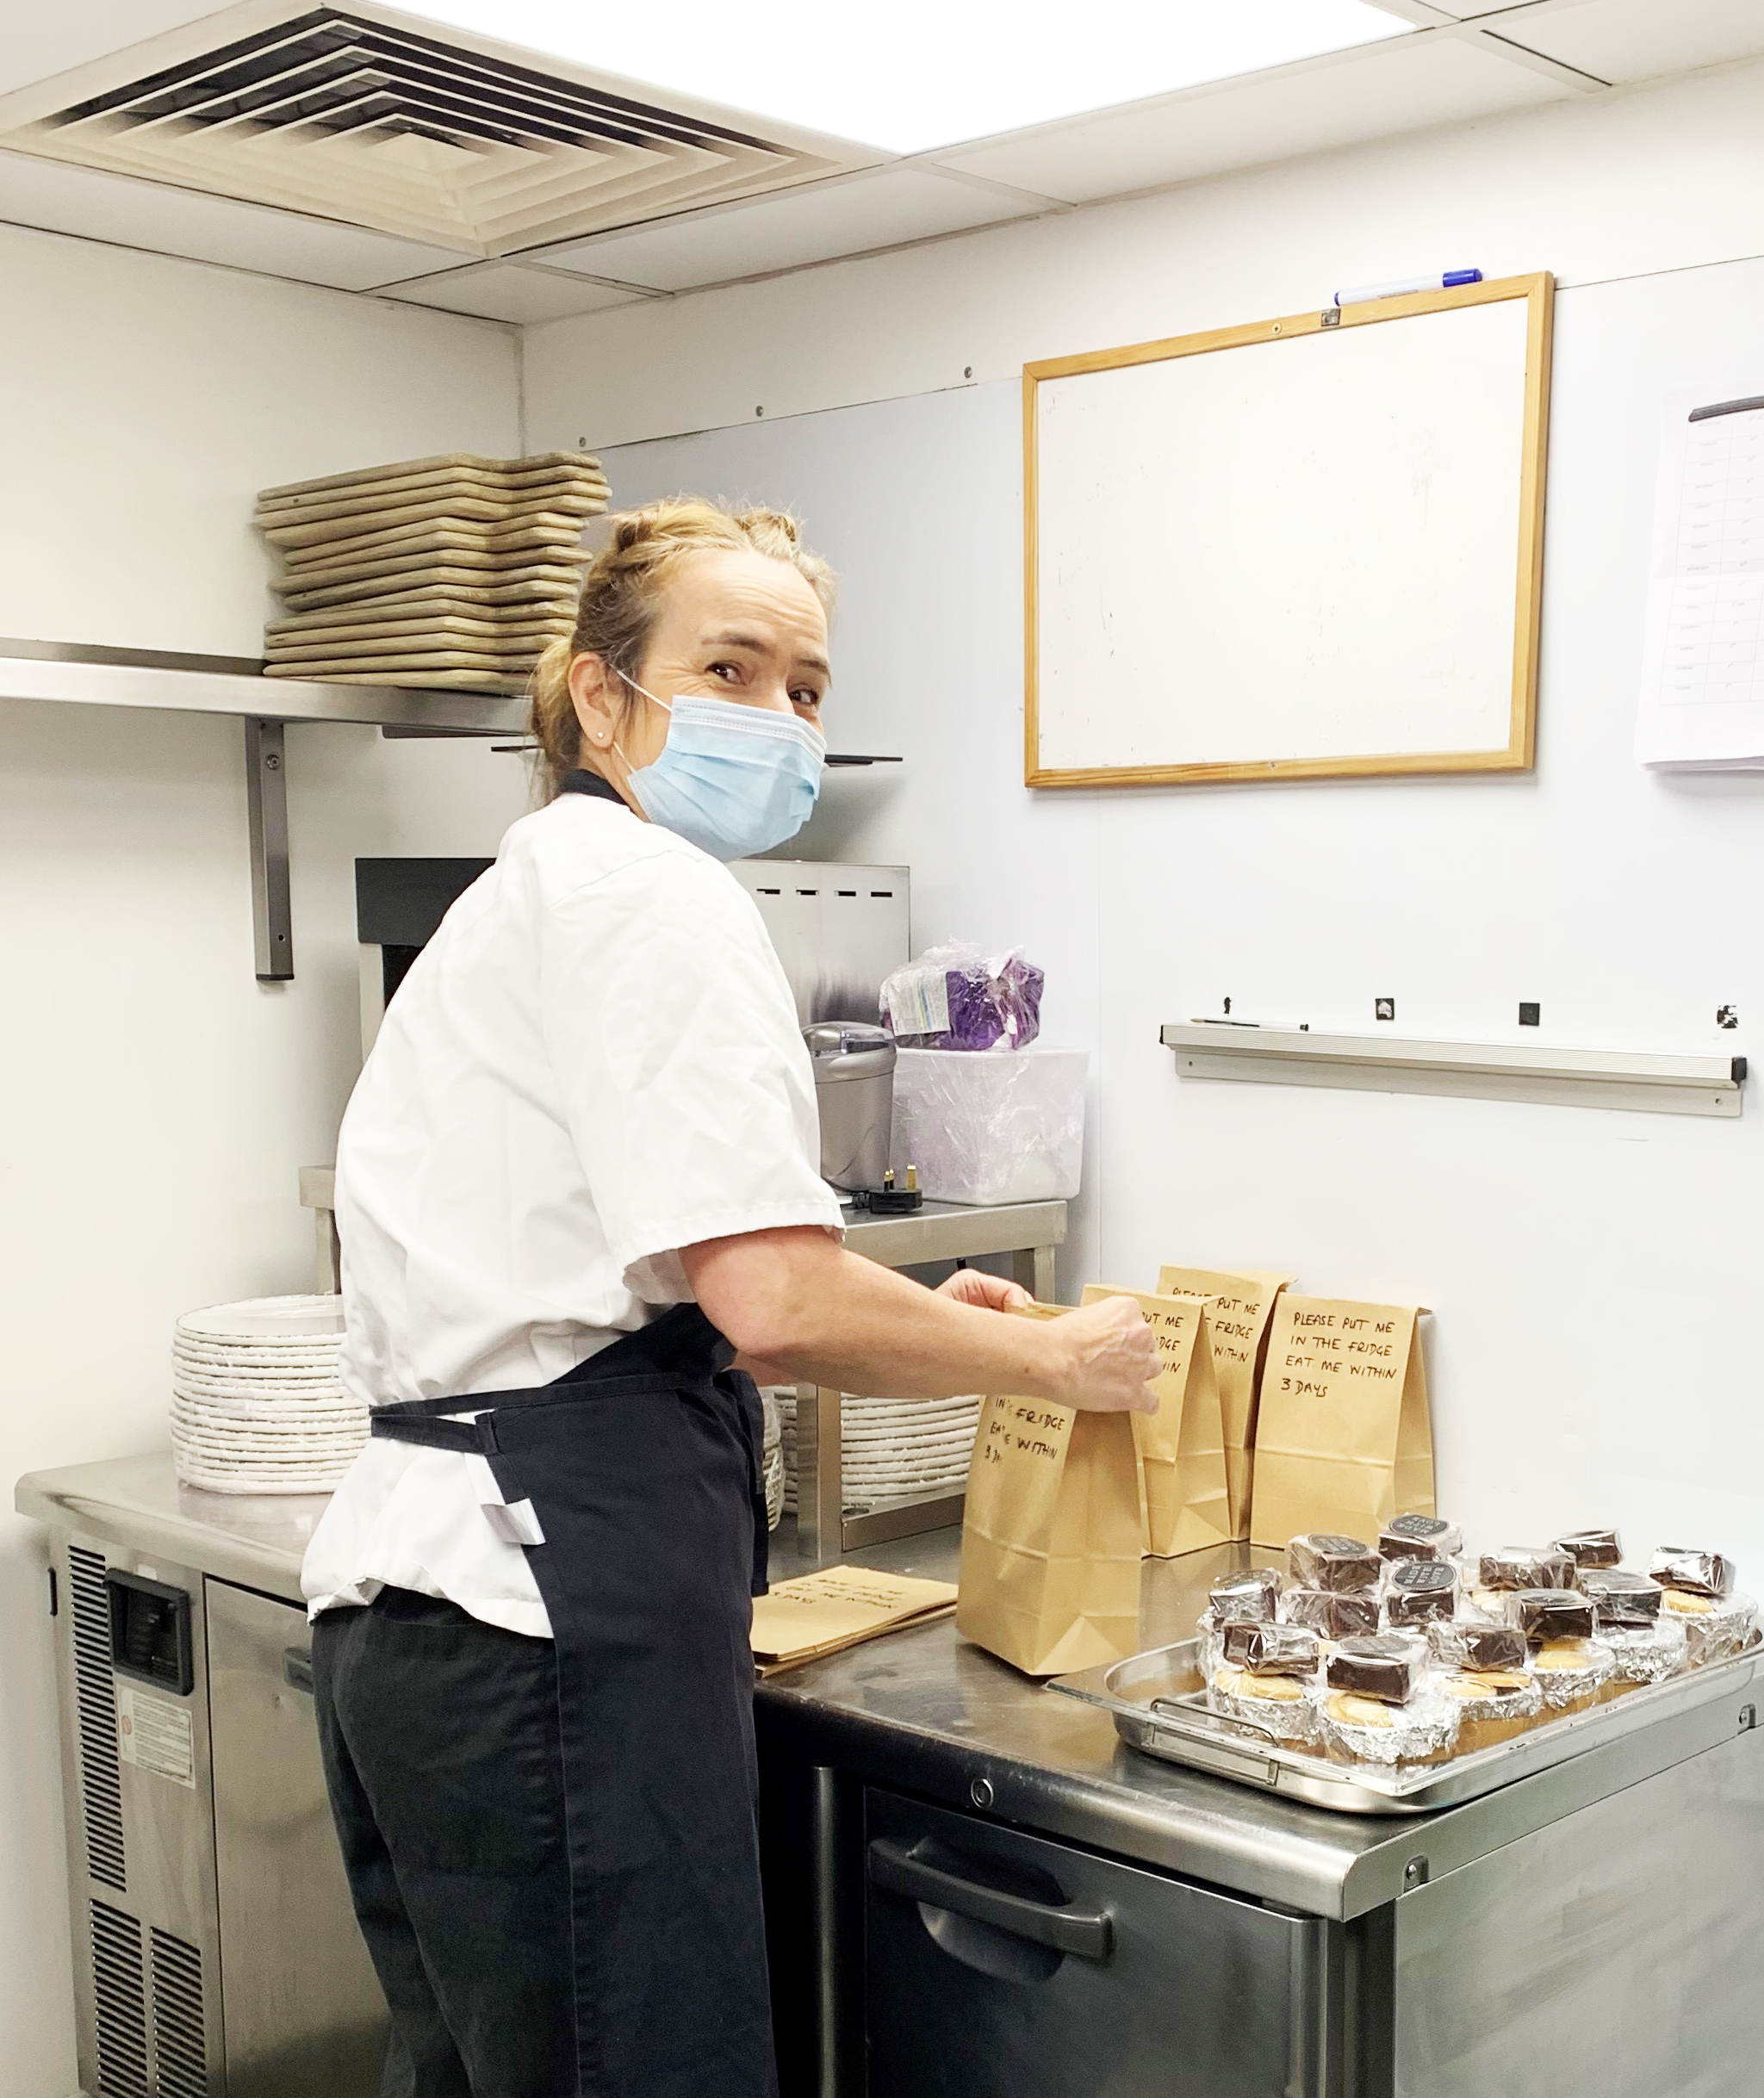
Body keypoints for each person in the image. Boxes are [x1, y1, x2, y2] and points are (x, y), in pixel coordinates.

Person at [300, 496, 1160, 2098]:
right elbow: (773, 1297)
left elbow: (665, 1283)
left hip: (430, 1596)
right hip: (549, 1589)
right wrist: (1055, 1363)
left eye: (807, 686)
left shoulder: (531, 894)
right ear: (601, 698)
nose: (777, 718)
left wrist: (963, 1323)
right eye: (731, 667)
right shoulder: (653, 895)